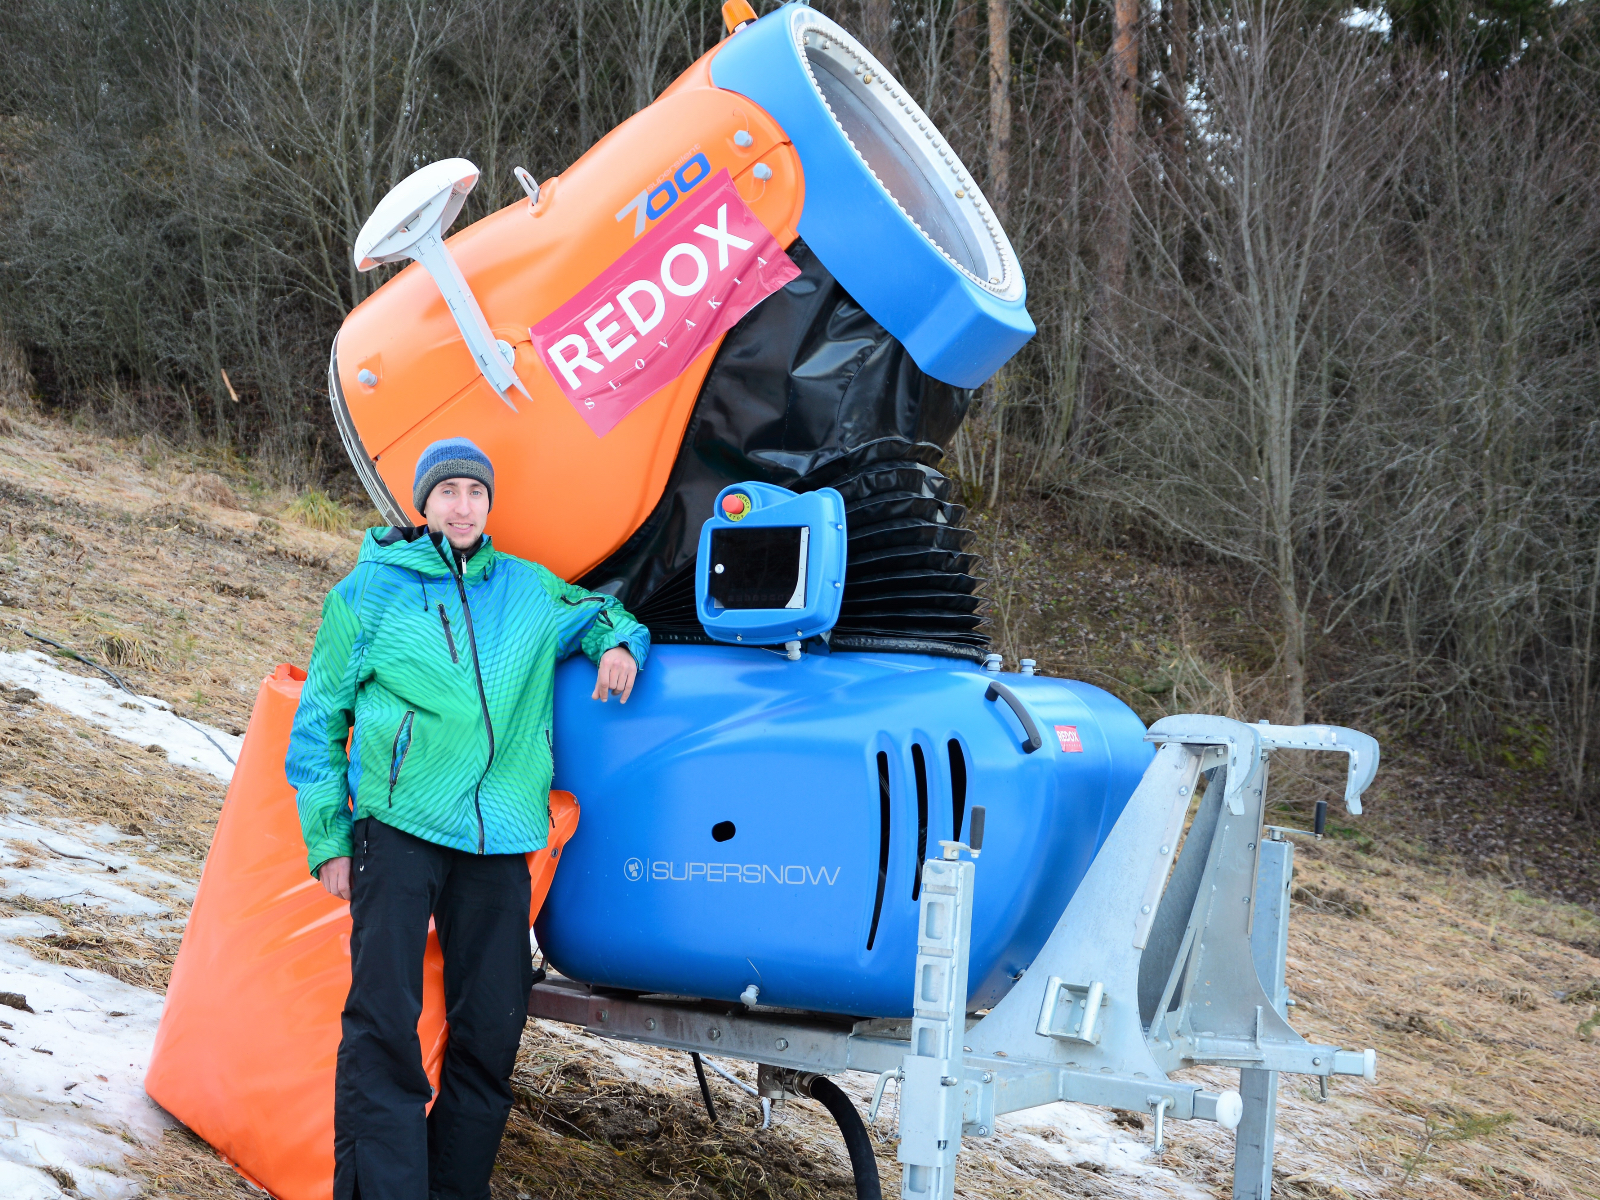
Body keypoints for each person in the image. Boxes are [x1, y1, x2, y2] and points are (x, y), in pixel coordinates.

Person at [285, 436, 649, 1200]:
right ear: (423, 503)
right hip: (399, 827)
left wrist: (620, 644)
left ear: (489, 504)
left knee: (491, 1030)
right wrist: (328, 839)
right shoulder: (367, 594)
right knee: (385, 1025)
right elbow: (318, 724)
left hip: (500, 839)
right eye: (447, 492)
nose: (461, 506)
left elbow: (602, 614)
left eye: (474, 493)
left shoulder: (525, 589)